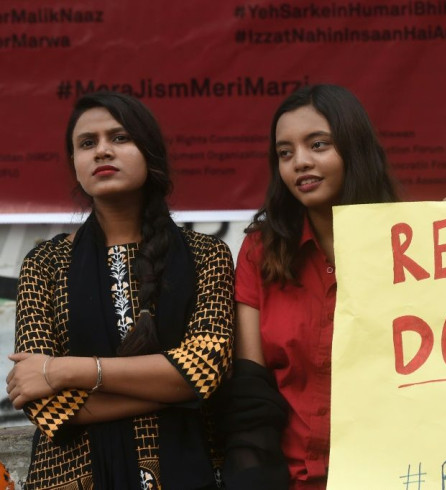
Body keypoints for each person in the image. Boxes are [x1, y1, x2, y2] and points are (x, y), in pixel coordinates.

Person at [5, 92, 234, 489]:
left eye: (120, 138)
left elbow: (207, 366)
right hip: (73, 475)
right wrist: (178, 389)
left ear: (150, 152)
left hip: (184, 469)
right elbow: (44, 401)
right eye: (87, 143)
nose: (102, 151)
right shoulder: (45, 264)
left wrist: (66, 370)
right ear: (74, 163)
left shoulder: (206, 255)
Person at [226, 84, 398, 489]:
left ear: (355, 148)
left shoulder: (413, 246)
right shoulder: (260, 251)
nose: (300, 163)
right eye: (285, 153)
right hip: (288, 479)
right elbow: (252, 388)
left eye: (318, 145)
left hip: (391, 476)